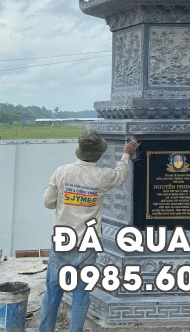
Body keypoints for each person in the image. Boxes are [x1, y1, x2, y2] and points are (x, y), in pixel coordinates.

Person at [39, 129, 140, 332]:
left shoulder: (62, 172)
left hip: (62, 241)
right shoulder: (102, 176)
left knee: (52, 292)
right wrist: (126, 154)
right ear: (99, 154)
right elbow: (120, 175)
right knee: (81, 294)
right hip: (87, 244)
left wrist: (67, 200)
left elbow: (48, 202)